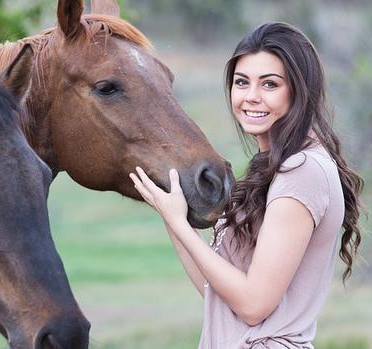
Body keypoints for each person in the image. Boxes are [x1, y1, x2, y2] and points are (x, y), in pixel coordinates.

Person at [129, 22, 364, 348]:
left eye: (270, 84)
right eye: (242, 83)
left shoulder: (302, 170)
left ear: (299, 90)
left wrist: (177, 223)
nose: (251, 97)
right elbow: (218, 295)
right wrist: (174, 218)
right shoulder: (278, 166)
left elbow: (254, 306)